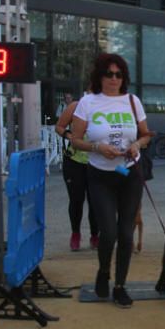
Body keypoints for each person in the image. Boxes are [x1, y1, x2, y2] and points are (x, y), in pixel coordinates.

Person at [69, 54, 152, 308]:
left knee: (126, 233)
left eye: (119, 74)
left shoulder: (132, 101)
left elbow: (146, 134)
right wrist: (96, 147)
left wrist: (137, 144)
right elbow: (75, 139)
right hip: (100, 175)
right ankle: (104, 271)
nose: (114, 79)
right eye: (109, 74)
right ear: (100, 77)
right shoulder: (88, 102)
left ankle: (120, 285)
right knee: (109, 232)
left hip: (129, 173)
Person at [55, 92, 99, 251]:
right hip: (74, 161)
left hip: (97, 162)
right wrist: (69, 135)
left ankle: (95, 235)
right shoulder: (75, 106)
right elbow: (59, 126)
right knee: (76, 200)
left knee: (96, 201)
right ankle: (75, 233)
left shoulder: (107, 108)